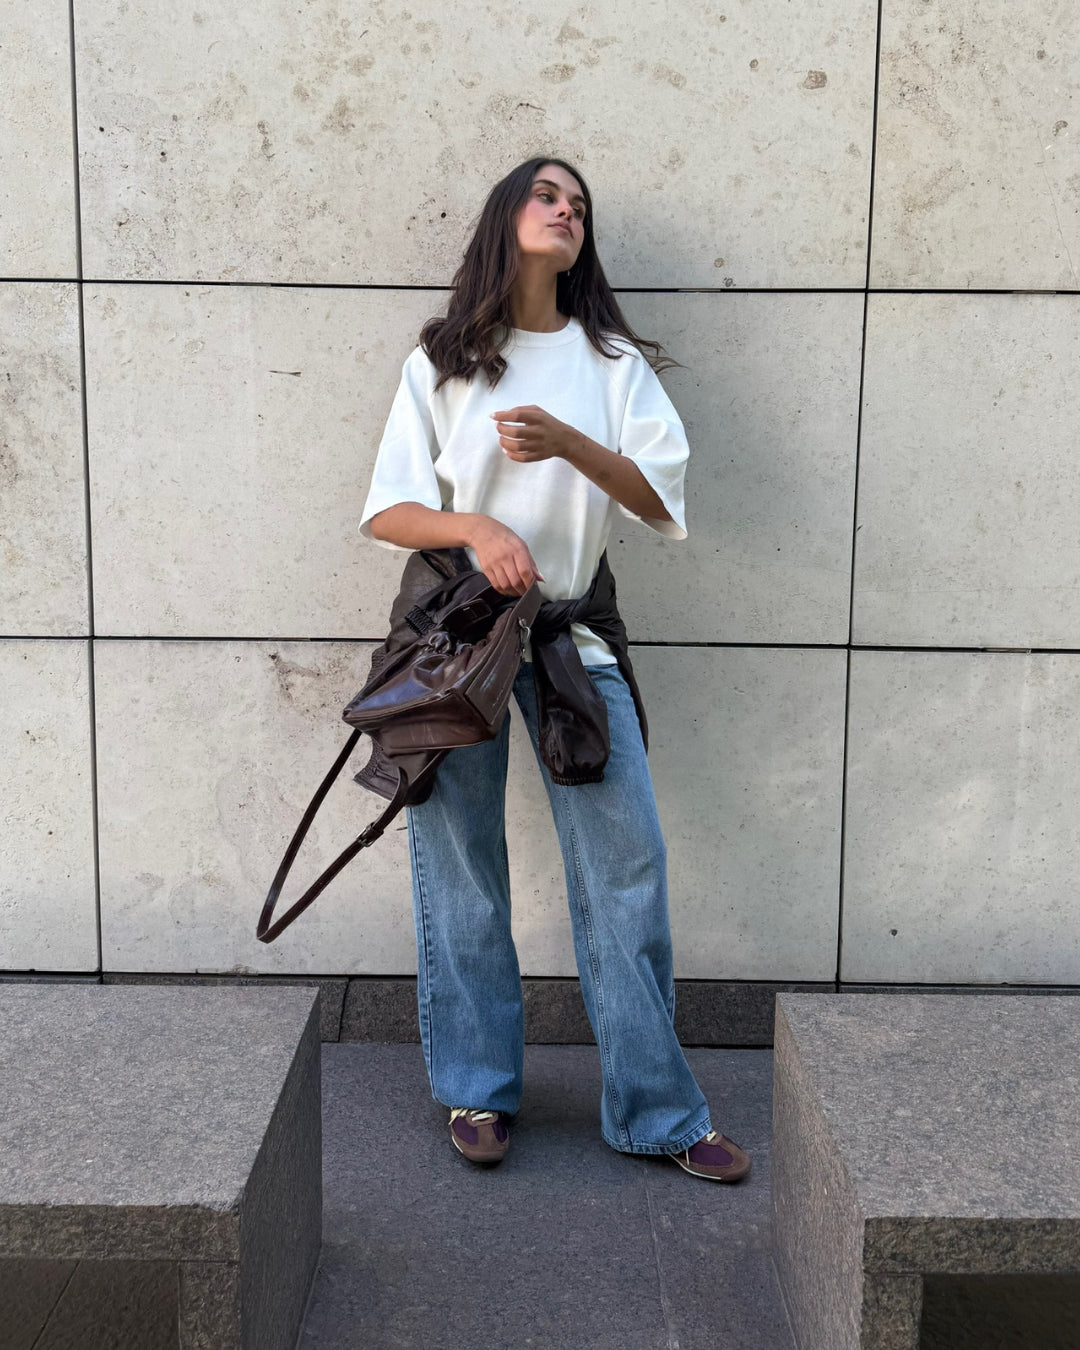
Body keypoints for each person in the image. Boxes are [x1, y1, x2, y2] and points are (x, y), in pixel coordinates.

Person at [359, 156, 750, 1183]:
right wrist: (475, 528)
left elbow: (660, 502)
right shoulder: (444, 360)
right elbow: (388, 509)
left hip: (572, 638)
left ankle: (657, 1111)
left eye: (579, 206)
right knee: (462, 869)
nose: (567, 211)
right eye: (548, 195)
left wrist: (573, 443)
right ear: (507, 216)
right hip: (456, 645)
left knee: (628, 868)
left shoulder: (609, 362)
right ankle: (476, 1088)